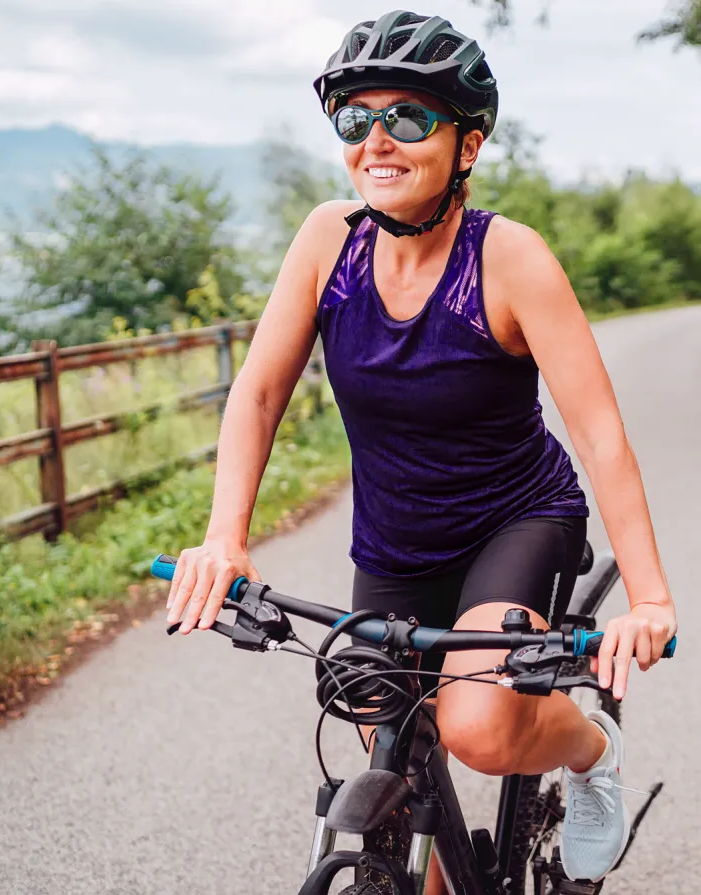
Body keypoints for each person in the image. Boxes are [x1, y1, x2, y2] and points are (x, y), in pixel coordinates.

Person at [165, 11, 678, 888]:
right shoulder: (331, 240)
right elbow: (255, 394)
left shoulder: (509, 260)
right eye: (356, 119)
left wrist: (651, 598)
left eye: (407, 118)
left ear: (467, 144)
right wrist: (225, 536)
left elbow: (599, 436)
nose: (376, 140)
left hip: (515, 521)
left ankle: (594, 749)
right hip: (397, 543)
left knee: (477, 728)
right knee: (391, 751)